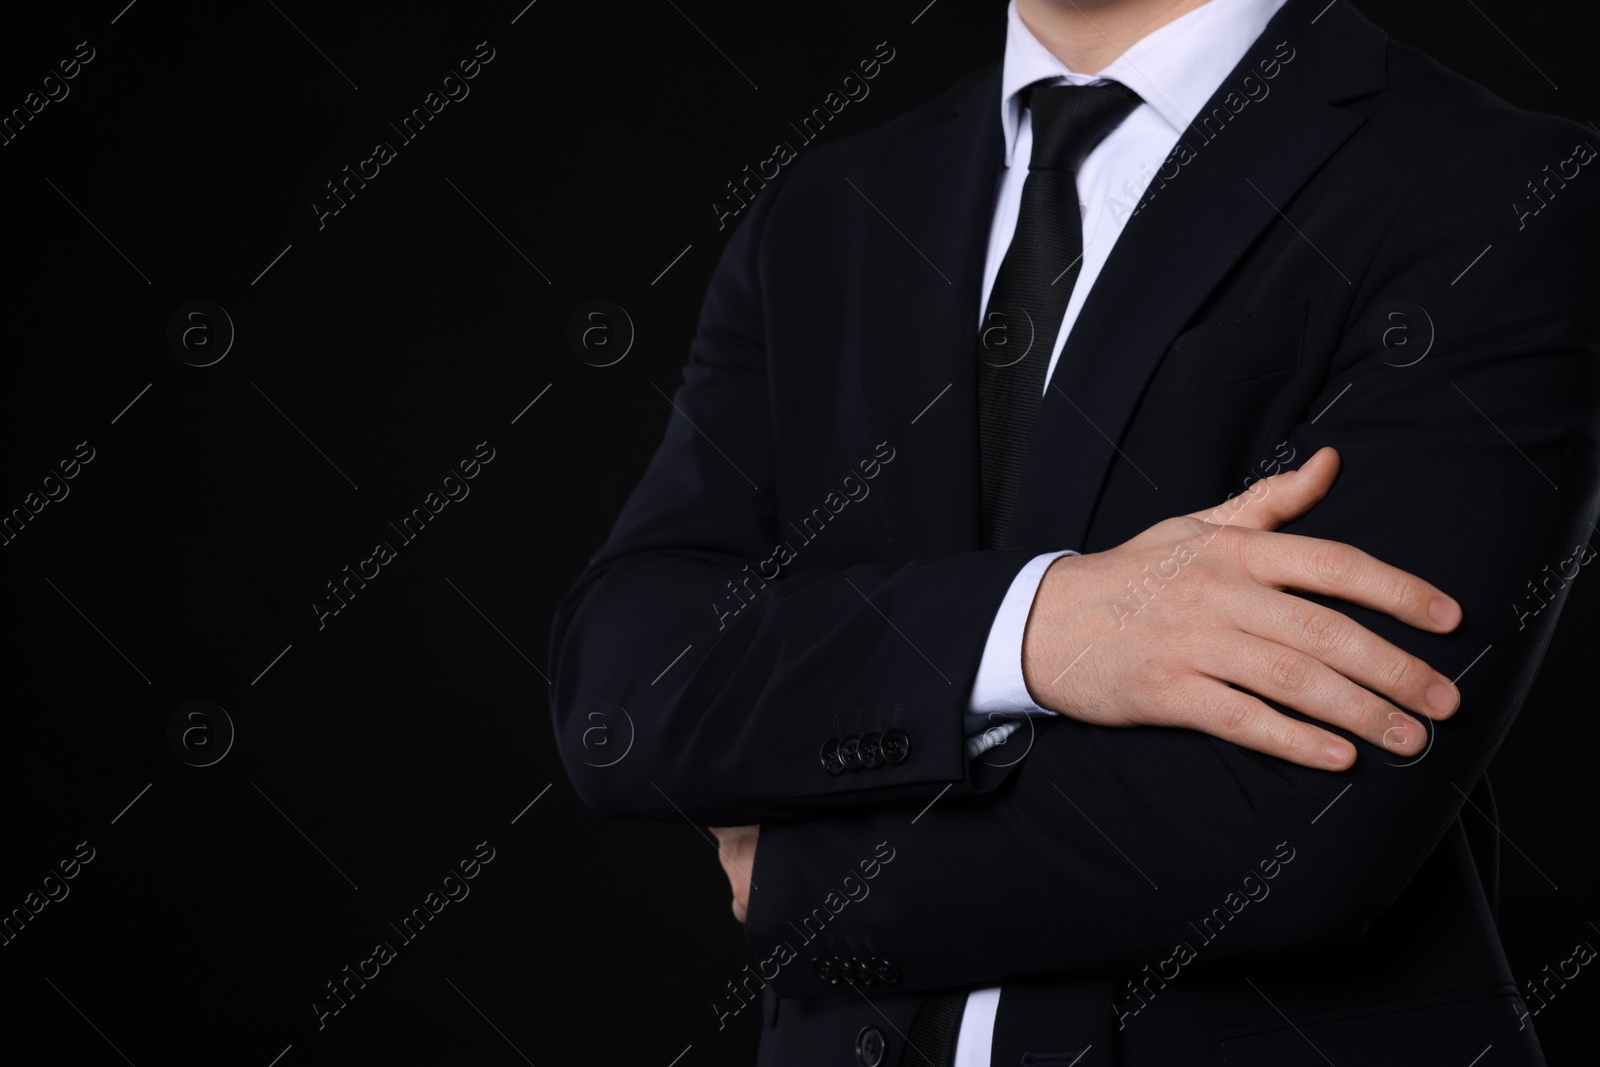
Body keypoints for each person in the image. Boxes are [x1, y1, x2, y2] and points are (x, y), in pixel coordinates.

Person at [549, 0, 1600, 1062]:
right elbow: (628, 687)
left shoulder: (1502, 185)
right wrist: (1035, 627)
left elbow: (1302, 818)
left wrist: (797, 869)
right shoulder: (824, 207)